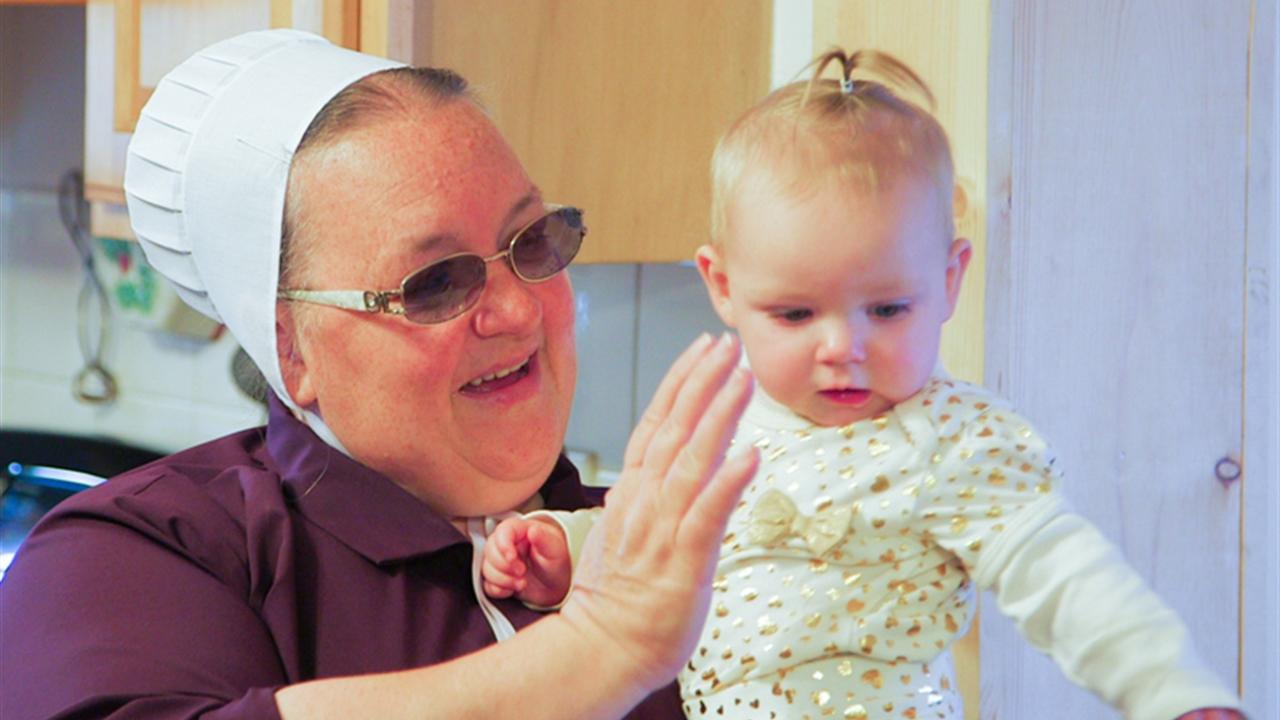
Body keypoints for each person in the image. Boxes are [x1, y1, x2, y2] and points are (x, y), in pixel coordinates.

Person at [0, 29, 762, 720]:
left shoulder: (671, 551)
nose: (517, 310)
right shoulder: (131, 556)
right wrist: (598, 652)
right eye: (436, 282)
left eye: (532, 240)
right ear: (291, 348)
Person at [480, 49, 1246, 720]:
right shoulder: (718, 417)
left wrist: (1172, 691)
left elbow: (1066, 577)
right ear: (724, 286)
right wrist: (569, 547)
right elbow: (648, 537)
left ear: (949, 280)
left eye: (887, 309)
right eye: (795, 313)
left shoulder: (952, 440)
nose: (843, 348)